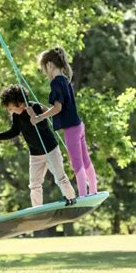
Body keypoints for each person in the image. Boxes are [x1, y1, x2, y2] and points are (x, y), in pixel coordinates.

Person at [0, 85, 76, 206]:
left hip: (50, 150)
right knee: (34, 184)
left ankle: (71, 199)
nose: (10, 111)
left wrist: (34, 117)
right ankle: (37, 209)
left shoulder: (34, 107)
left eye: (10, 108)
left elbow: (44, 127)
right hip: (35, 155)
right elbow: (14, 131)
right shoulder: (16, 115)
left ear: (20, 103)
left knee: (60, 178)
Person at [30, 46, 98, 197]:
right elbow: (61, 107)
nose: (44, 73)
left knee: (77, 163)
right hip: (79, 125)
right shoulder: (65, 80)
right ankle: (93, 190)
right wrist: (45, 110)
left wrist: (40, 117)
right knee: (86, 160)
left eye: (43, 69)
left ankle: (82, 195)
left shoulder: (55, 83)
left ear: (50, 65)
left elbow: (58, 108)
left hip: (71, 129)